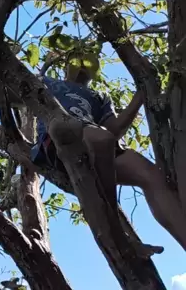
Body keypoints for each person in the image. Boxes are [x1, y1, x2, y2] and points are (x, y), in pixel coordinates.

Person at [32, 53, 186, 253]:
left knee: (150, 173)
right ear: (65, 65)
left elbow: (114, 129)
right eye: (78, 59)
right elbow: (14, 89)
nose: (83, 64)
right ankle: (115, 227)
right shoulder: (47, 82)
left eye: (88, 61)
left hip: (97, 144)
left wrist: (140, 96)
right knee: (101, 138)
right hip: (58, 139)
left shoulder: (99, 97)